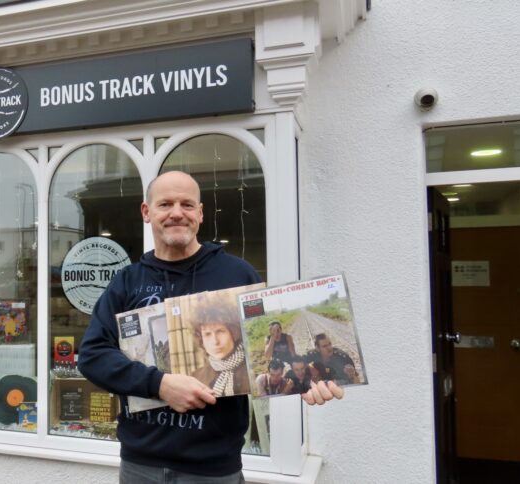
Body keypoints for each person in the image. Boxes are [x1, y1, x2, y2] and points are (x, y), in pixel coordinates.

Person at [78, 171, 342, 483]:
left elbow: (264, 353)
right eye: (165, 204)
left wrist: (308, 379)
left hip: (214, 470)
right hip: (140, 466)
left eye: (187, 205)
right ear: (147, 213)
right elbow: (93, 356)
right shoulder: (127, 281)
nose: (177, 213)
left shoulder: (237, 275)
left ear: (200, 214)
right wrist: (160, 384)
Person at [190, 304, 250, 397]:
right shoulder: (196, 378)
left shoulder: (254, 369)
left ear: (234, 333)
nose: (215, 341)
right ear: (201, 340)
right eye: (207, 334)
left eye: (220, 331)